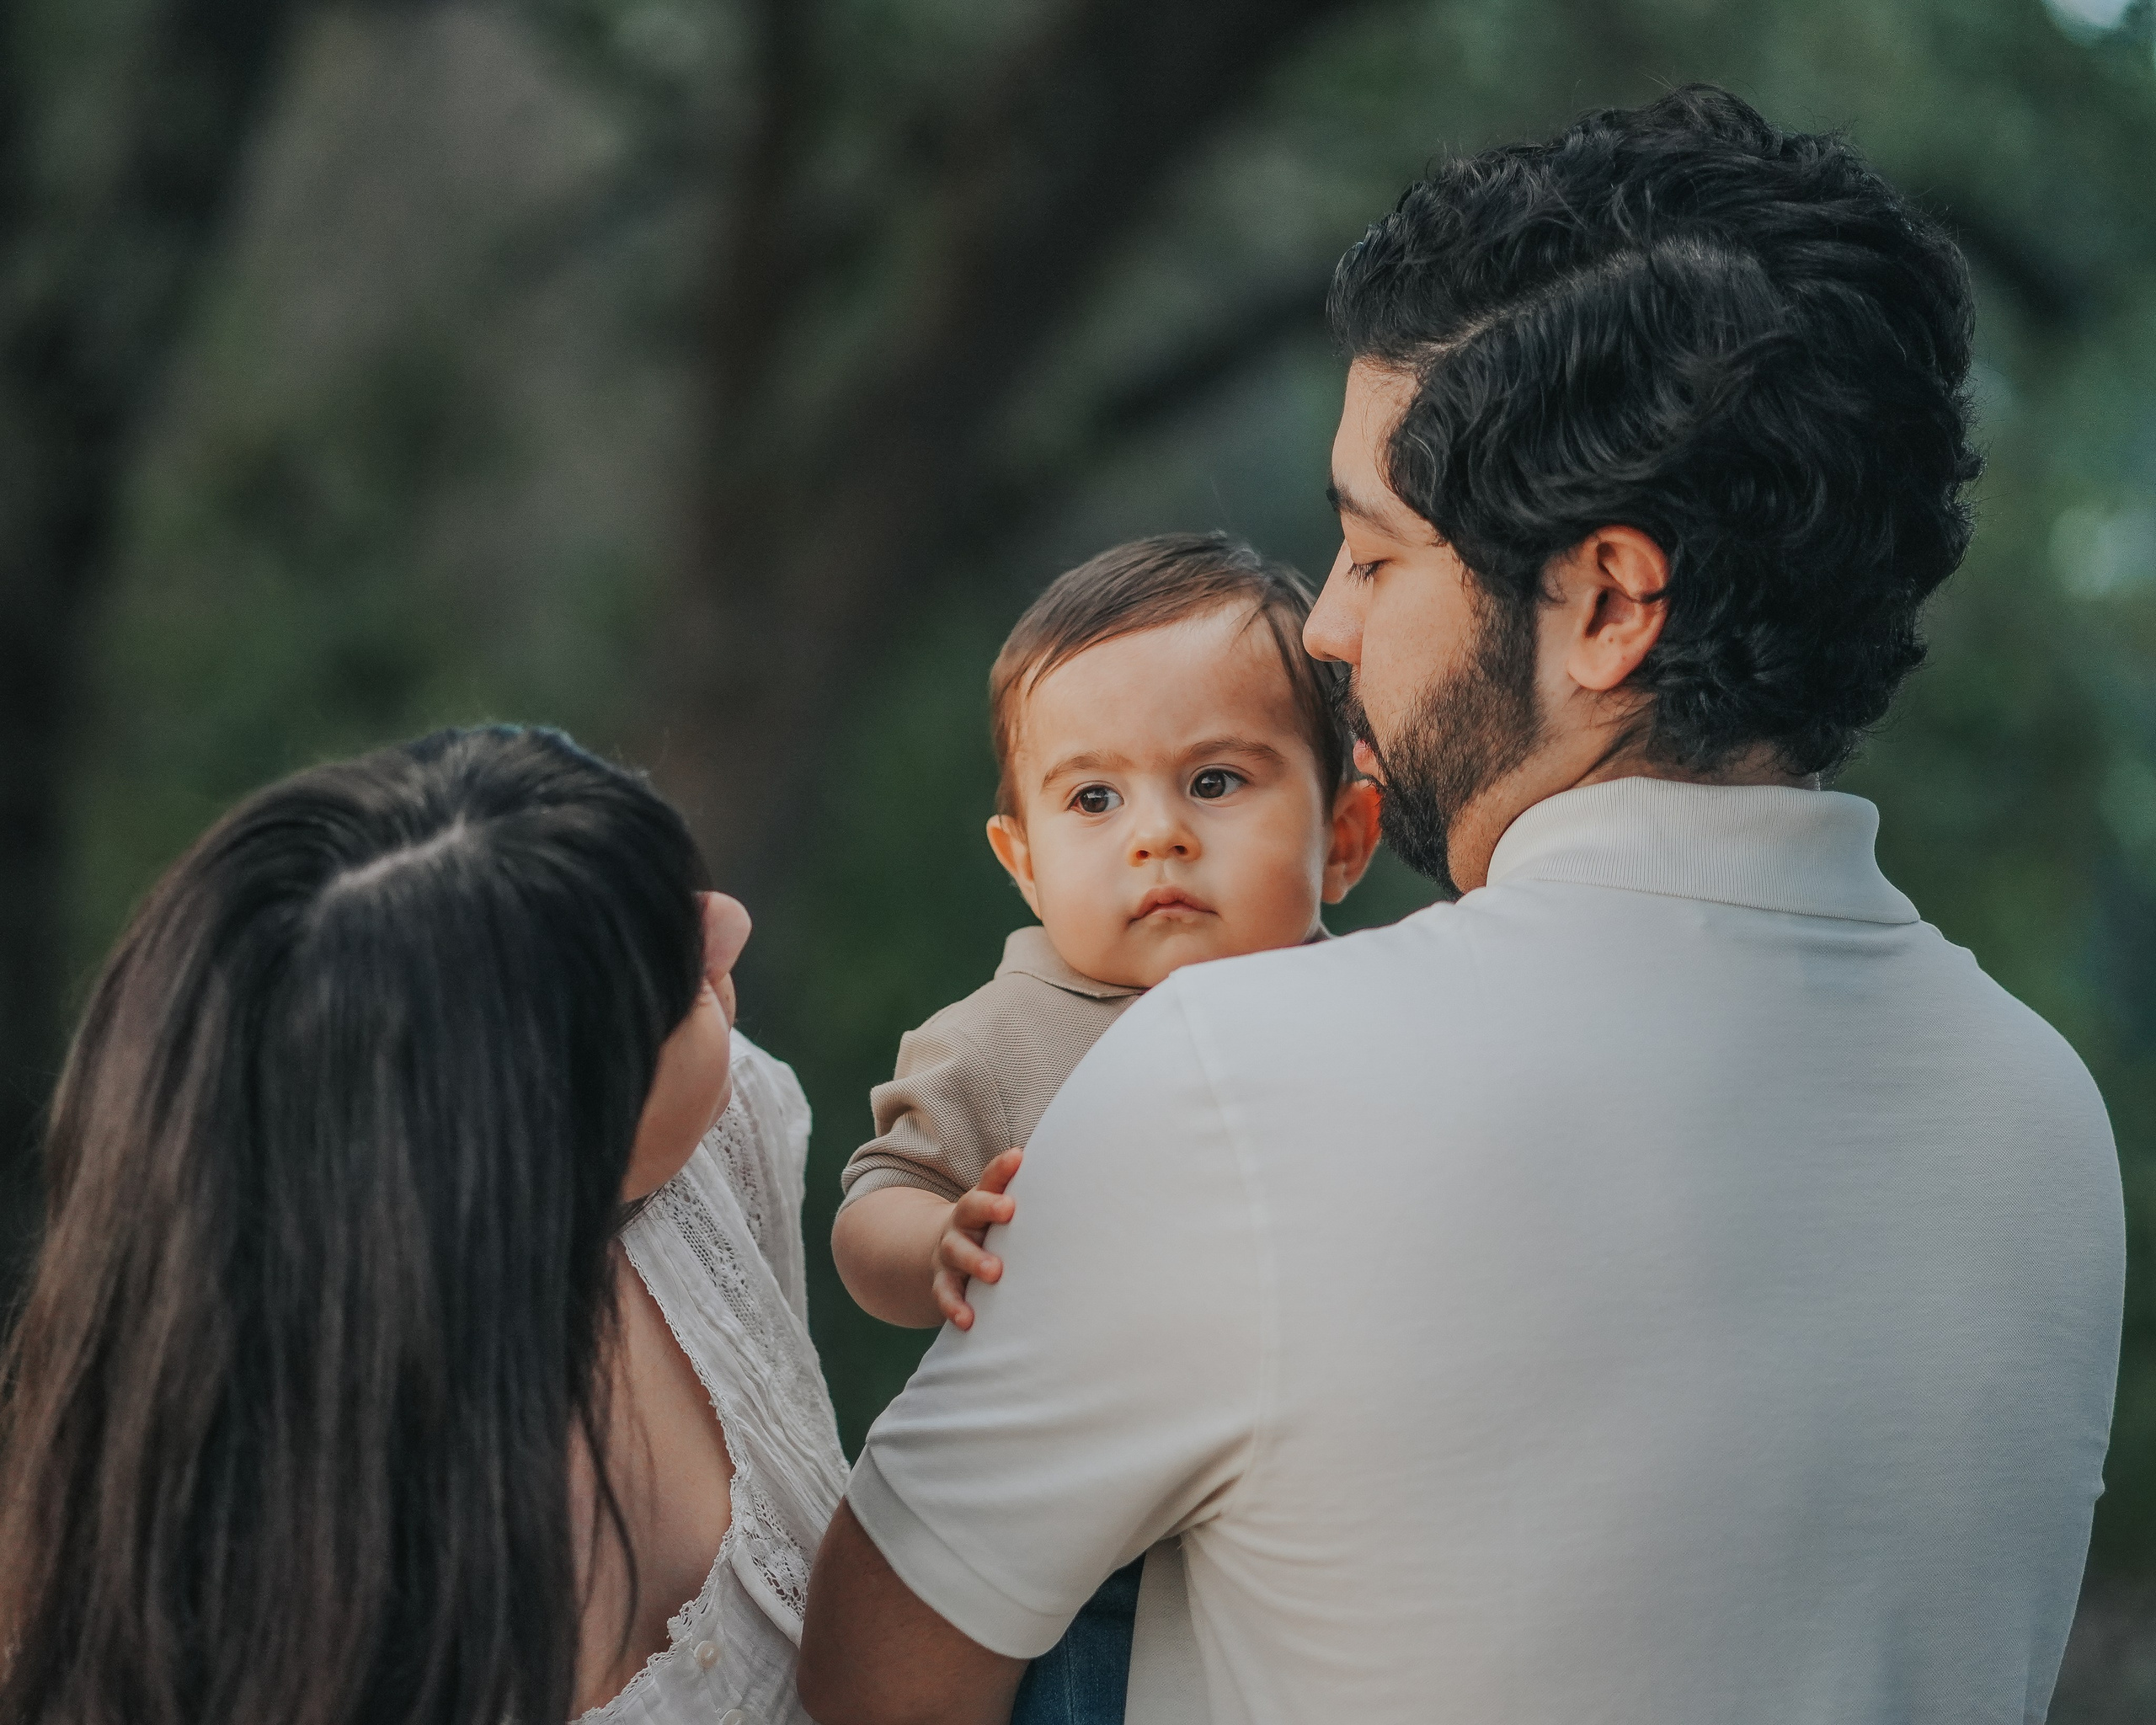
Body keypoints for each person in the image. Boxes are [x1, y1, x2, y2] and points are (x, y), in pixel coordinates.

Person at [797, 85, 2126, 1725]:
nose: (1328, 629)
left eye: (1372, 553)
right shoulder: (2045, 1119)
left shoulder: (1235, 1075)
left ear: (1608, 604)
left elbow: (873, 1687)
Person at [0, 725, 846, 1725]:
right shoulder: (204, 1598)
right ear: (541, 1143)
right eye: (678, 978)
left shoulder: (719, 1139)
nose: (730, 923)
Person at [828, 533, 1381, 1722]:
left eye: (1216, 782)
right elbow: (874, 1200)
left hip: (1306, 1530)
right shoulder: (1000, 1033)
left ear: (1343, 835)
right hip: (1090, 1566)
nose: (1157, 834)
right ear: (1023, 860)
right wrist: (936, 1242)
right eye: (1094, 797)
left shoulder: (1370, 1010)